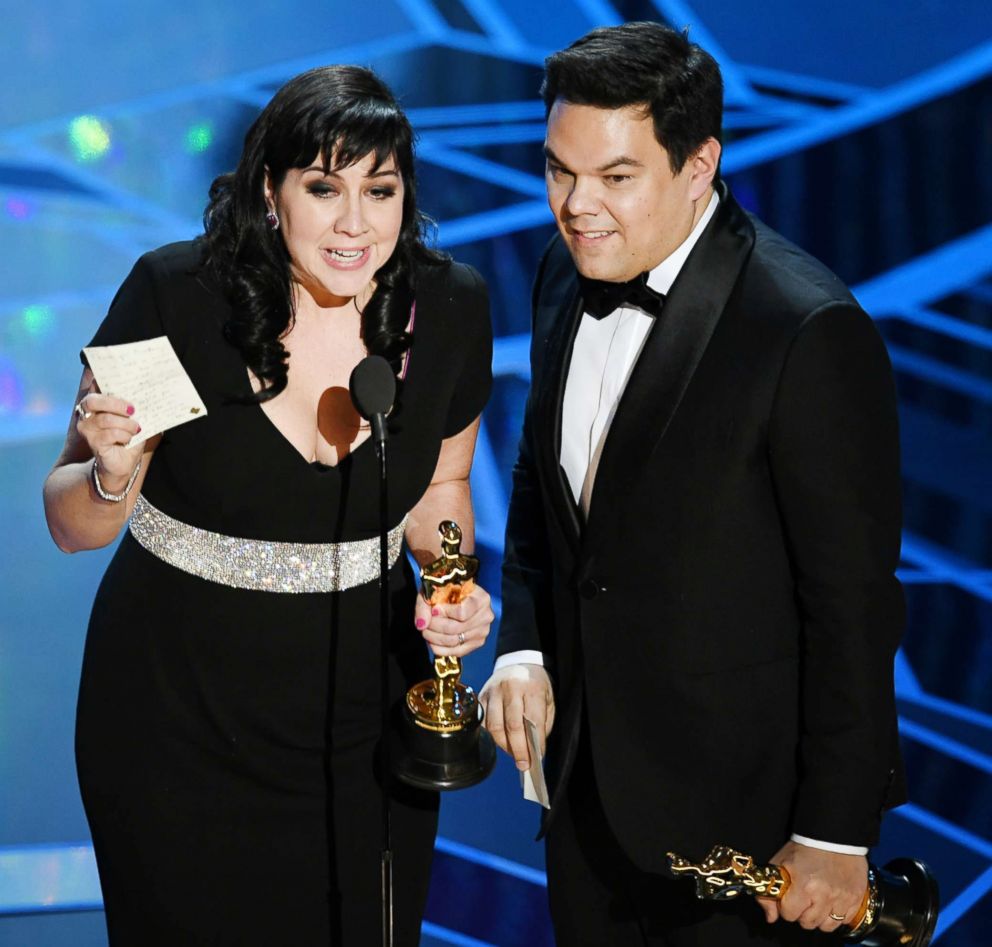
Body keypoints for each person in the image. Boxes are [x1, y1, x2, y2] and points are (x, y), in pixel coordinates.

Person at [43, 64, 494, 946]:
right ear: (270, 191)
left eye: (381, 188)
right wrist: (109, 474)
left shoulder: (447, 306)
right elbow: (69, 525)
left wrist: (448, 585)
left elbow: (441, 486)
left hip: (367, 716)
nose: (356, 222)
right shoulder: (175, 296)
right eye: (324, 187)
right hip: (177, 719)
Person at [481, 21, 905, 946]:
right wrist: (522, 644)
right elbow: (540, 481)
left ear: (700, 163)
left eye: (615, 177)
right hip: (586, 810)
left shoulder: (805, 330)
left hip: (749, 842)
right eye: (558, 169)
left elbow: (854, 606)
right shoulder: (563, 271)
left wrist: (833, 831)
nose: (574, 205)